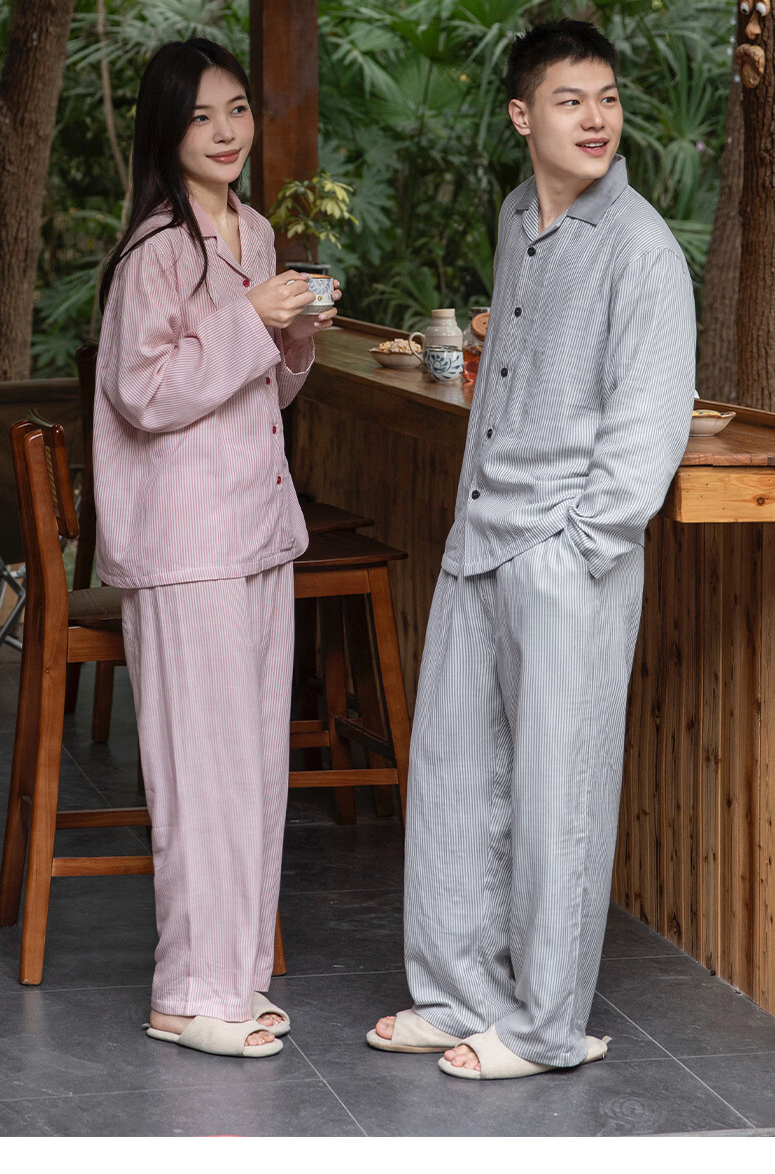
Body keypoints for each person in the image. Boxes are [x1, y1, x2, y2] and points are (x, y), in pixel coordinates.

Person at [368, 19, 696, 1079]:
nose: (596, 118)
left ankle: (547, 1027)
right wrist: (474, 517)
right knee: (456, 778)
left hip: (564, 552)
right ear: (522, 115)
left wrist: (578, 547)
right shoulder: (519, 215)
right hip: (480, 534)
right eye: (570, 99)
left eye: (608, 98)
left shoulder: (641, 247)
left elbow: (645, 429)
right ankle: (458, 994)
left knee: (559, 798)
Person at [94, 38, 339, 1059]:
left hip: (256, 528)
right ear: (167, 130)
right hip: (186, 539)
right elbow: (143, 393)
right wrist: (249, 315)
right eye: (202, 115)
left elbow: (265, 385)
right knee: (200, 773)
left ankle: (232, 982)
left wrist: (295, 330)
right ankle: (185, 994)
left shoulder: (258, 229)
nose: (228, 130)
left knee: (251, 768)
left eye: (237, 108)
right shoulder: (156, 248)